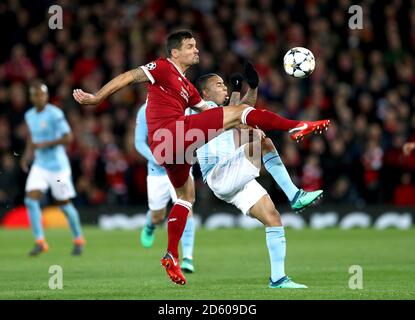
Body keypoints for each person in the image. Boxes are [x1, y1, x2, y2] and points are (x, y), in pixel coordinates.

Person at [73, 30, 330, 285]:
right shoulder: (163, 67)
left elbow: (233, 114)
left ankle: (172, 254)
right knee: (254, 131)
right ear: (175, 52)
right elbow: (129, 76)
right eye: (190, 46)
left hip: (173, 151)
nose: (196, 49)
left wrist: (247, 91)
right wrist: (97, 97)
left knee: (186, 198)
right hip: (170, 134)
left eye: (196, 45)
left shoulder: (188, 89)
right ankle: (296, 126)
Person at [191, 70, 322, 288]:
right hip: (219, 172)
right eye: (218, 84)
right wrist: (241, 93)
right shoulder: (199, 110)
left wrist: (252, 87)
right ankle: (294, 194)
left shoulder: (217, 111)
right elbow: (240, 115)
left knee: (273, 218)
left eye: (224, 84)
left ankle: (278, 279)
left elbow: (238, 112)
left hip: (232, 175)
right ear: (204, 92)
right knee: (263, 141)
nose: (223, 87)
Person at [21, 81, 85, 256]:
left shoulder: (55, 114)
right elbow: (32, 139)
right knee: (30, 200)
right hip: (40, 165)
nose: (38, 97)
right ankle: (40, 241)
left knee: (63, 204)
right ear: (31, 97)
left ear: (46, 96)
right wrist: (27, 154)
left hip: (58, 167)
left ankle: (78, 238)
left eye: (41, 94)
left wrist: (47, 143)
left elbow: (68, 138)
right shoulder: (29, 115)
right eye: (35, 94)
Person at [135, 102, 196, 273]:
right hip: (157, 172)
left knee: (186, 207)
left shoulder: (181, 106)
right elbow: (139, 143)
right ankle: (150, 226)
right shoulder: (144, 110)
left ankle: (188, 258)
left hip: (180, 166)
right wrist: (156, 157)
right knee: (157, 216)